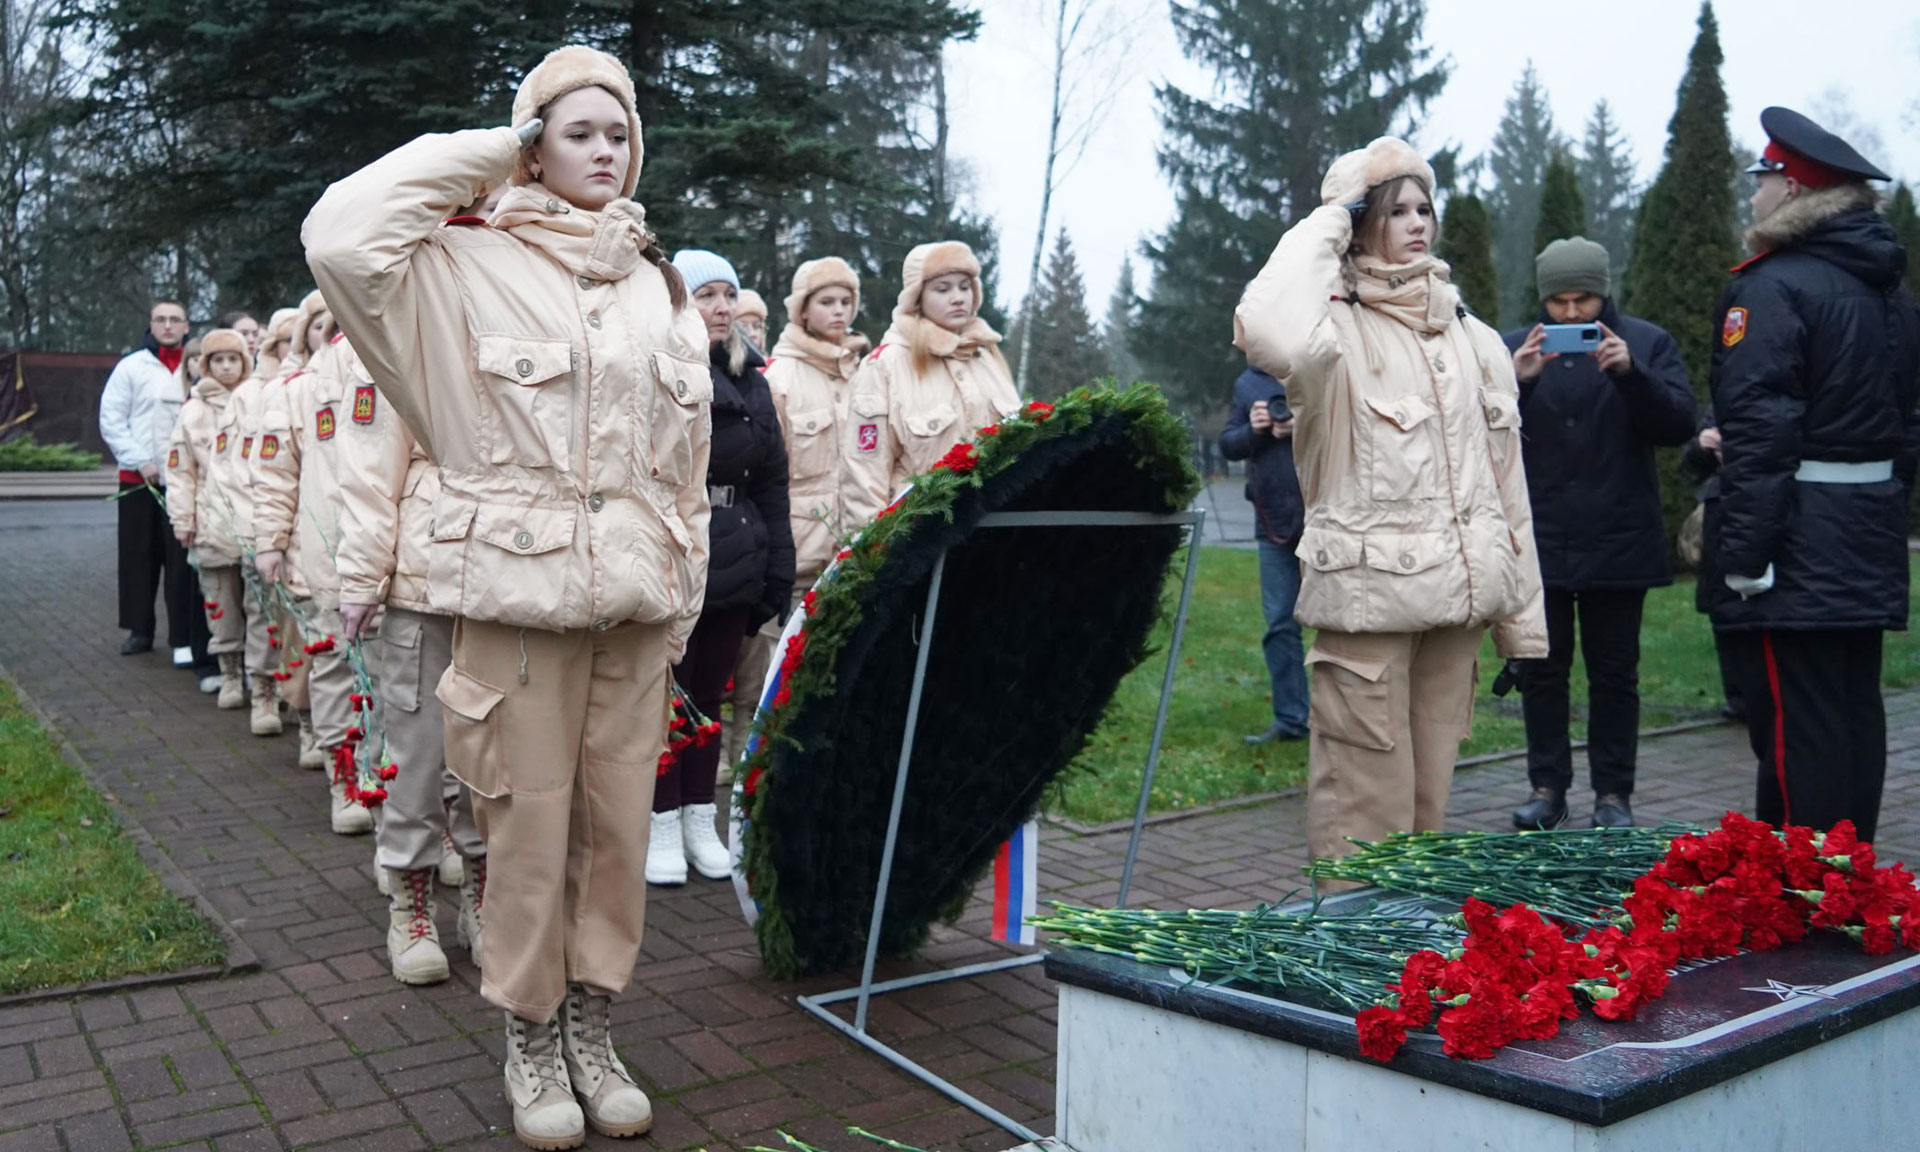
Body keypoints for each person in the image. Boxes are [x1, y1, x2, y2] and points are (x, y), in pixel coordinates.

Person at [307, 45, 709, 1147]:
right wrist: (498, 145)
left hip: (636, 609)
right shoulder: (458, 266)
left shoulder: (656, 285)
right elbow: (339, 235)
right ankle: (529, 1037)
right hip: (516, 606)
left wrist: (682, 600)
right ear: (534, 146)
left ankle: (593, 1025)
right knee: (525, 832)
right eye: (577, 132)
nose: (605, 151)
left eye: (620, 133)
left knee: (614, 834)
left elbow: (685, 469)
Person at [1232, 137, 1548, 868]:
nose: (1415, 223)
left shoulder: (1474, 339)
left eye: (1423, 208)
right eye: (1393, 209)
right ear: (1359, 222)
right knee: (1362, 821)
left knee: (1426, 816)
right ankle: (1354, 934)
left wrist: (1522, 627)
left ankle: (1408, 934)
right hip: (1369, 607)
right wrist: (1332, 217)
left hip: (1459, 606)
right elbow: (1266, 326)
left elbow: (1508, 490)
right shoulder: (1330, 334)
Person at [1708, 107, 1920, 843]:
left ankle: (1806, 887)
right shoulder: (1890, 292)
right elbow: (1906, 425)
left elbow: (1761, 432)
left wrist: (1744, 554)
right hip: (1866, 526)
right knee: (1854, 711)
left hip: (1796, 537)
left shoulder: (1773, 287)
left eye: (1761, 178)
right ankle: (1851, 878)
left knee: (1797, 725)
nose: (1755, 194)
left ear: (1791, 187)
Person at [1503, 238, 1697, 830]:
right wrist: (1518, 384)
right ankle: (1547, 788)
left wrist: (1632, 376)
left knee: (1615, 675)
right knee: (1541, 671)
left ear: (1603, 292)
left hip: (1619, 537)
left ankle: (1614, 795)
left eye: (1582, 300)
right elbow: (1476, 435)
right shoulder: (1513, 347)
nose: (1570, 313)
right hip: (1541, 539)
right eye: (1557, 301)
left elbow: (1679, 425)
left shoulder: (1646, 342)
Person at [652, 250, 793, 885]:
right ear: (679, 301)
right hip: (674, 551)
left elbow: (773, 481)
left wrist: (777, 570)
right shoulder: (659, 364)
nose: (722, 307)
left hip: (735, 553)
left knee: (708, 699)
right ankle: (657, 819)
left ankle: (697, 818)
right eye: (707, 295)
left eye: (729, 295)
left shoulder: (752, 379)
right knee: (664, 697)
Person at [726, 257, 871, 769]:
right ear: (802, 310)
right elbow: (765, 473)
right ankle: (744, 767)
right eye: (826, 301)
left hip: (849, 551)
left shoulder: (865, 375)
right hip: (789, 551)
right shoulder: (780, 376)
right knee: (761, 673)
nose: (838, 311)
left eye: (846, 301)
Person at [253, 311, 381, 838]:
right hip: (324, 552)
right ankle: (343, 779)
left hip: (394, 559)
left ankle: (394, 797)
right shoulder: (295, 391)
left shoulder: (398, 363)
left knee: (394, 681)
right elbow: (274, 473)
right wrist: (270, 541)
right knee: (332, 667)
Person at [841, 242, 1021, 528]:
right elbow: (863, 476)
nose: (958, 297)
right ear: (917, 297)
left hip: (995, 533)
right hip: (918, 536)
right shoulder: (886, 366)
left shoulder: (987, 358)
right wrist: (871, 549)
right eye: (943, 289)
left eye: (965, 287)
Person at [1218, 362, 1309, 746]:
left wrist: (1303, 426)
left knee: (1345, 626)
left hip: (1328, 519)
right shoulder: (1248, 382)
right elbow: (1228, 444)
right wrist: (1253, 429)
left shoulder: (1320, 365)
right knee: (1280, 625)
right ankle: (1292, 720)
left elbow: (1354, 429)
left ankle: (1348, 724)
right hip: (1272, 520)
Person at [164, 329, 256, 710]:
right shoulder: (193, 410)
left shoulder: (260, 400)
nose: (227, 367)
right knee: (221, 603)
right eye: (218, 360)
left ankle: (261, 678)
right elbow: (180, 470)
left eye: (234, 359)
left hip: (254, 520)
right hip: (211, 519)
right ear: (205, 365)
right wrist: (182, 518)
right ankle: (229, 672)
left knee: (260, 605)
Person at [100, 301, 195, 658]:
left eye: (175, 320)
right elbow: (111, 419)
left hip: (183, 479)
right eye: (161, 320)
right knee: (138, 556)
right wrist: (140, 460)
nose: (168, 326)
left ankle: (182, 636)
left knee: (180, 560)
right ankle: (139, 629)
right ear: (151, 325)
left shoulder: (196, 364)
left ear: (186, 326)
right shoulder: (131, 366)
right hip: (139, 478)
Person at [1679, 412, 1746, 722]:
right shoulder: (1722, 401)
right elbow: (1690, 465)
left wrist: (1732, 449)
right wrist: (1702, 446)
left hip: (1758, 504)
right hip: (1720, 514)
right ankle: (1738, 695)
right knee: (1723, 605)